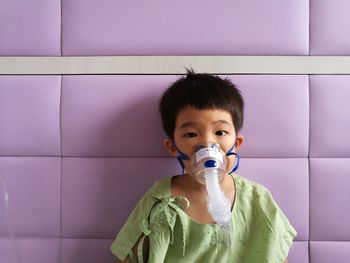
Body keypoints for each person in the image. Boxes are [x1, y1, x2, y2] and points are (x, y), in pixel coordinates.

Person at [110, 69, 297, 263]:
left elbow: (278, 258)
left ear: (237, 143)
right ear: (172, 147)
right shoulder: (160, 200)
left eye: (220, 132)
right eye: (191, 134)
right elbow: (128, 258)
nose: (207, 144)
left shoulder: (257, 200)